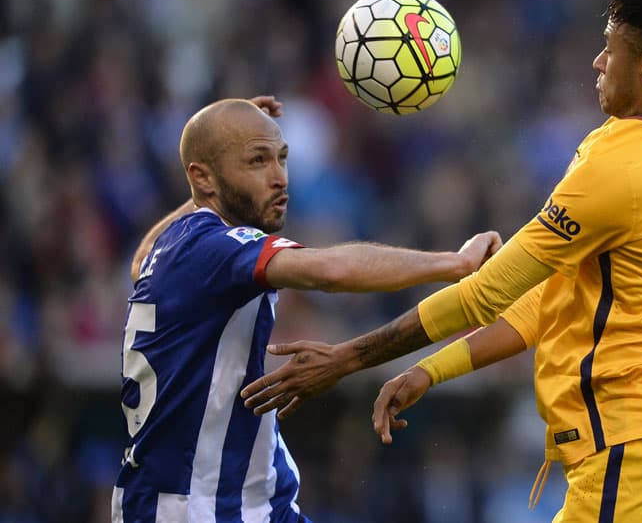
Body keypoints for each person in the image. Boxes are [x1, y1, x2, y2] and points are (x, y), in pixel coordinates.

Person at [241, 0, 642, 522]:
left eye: (609, 48)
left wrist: (348, 357)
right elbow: (547, 303)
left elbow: (484, 294)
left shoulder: (619, 170)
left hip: (634, 447)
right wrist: (430, 370)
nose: (597, 61)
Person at [111, 95, 502, 522]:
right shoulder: (215, 248)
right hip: (200, 510)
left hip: (251, 506)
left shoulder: (171, 245)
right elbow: (329, 272)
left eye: (281, 158)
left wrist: (215, 169)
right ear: (203, 178)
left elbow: (140, 258)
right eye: (257, 161)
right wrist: (454, 262)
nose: (280, 178)